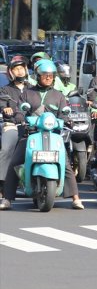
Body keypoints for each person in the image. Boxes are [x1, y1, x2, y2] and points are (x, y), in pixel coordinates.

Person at [0, 60, 84, 210]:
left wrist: (66, 120)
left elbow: (64, 113)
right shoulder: (27, 93)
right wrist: (20, 118)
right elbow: (19, 110)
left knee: (65, 163)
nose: (48, 78)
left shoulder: (59, 96)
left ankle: (75, 198)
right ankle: (7, 198)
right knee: (14, 162)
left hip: (53, 136)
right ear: (37, 76)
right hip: (30, 134)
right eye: (45, 75)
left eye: (51, 76)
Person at [0, 56, 32, 199]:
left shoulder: (33, 88)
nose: (20, 71)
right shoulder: (5, 90)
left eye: (22, 68)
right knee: (7, 149)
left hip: (33, 126)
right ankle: (3, 184)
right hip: (12, 124)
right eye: (16, 68)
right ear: (11, 72)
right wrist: (5, 109)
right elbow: (2, 105)